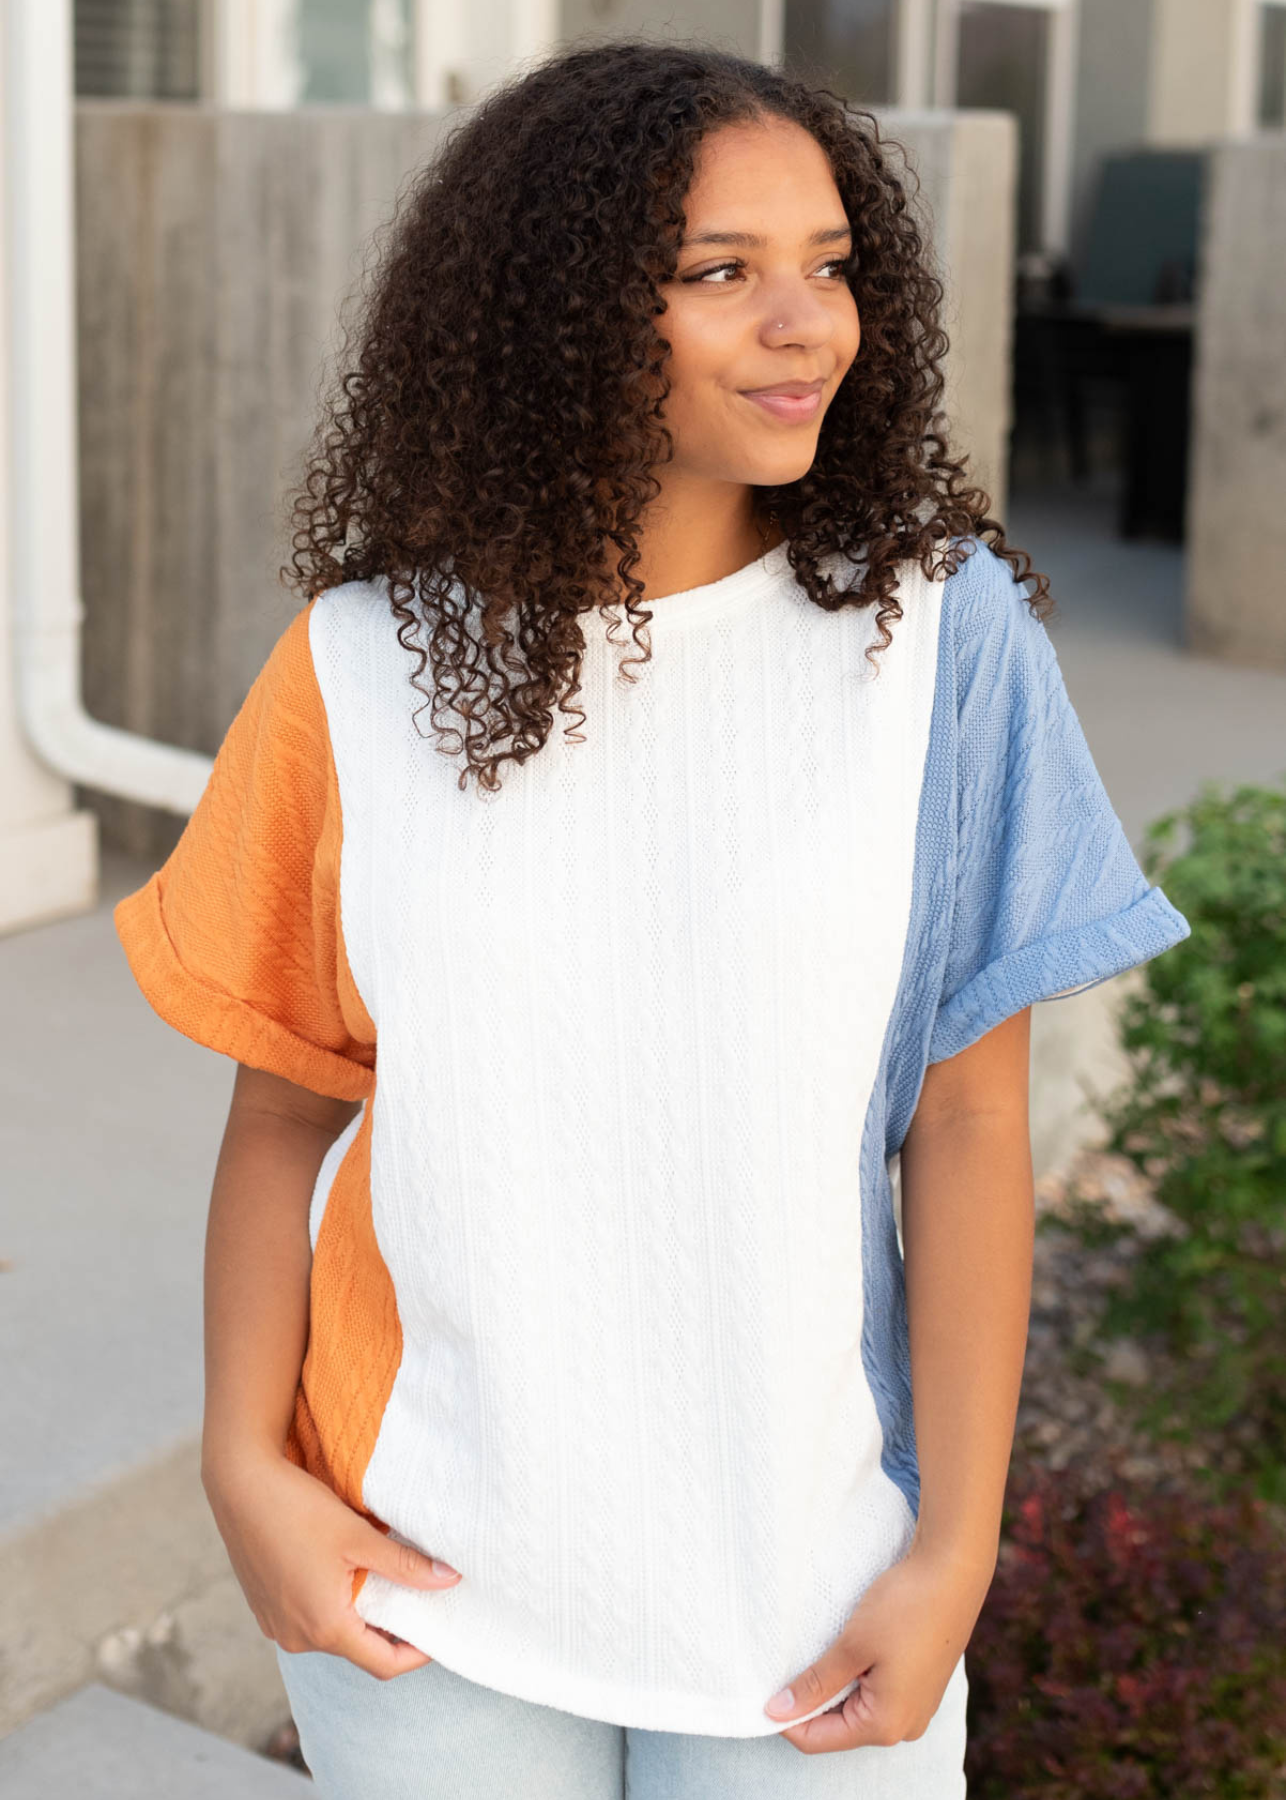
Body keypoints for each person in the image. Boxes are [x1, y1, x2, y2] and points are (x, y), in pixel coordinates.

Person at [113, 37, 1192, 1799]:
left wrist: (956, 1552)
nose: (806, 325)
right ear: (550, 313)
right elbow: (284, 1114)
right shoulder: (360, 668)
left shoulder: (935, 647)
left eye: (831, 266)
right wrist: (246, 1465)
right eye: (719, 274)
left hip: (809, 1601)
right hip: (425, 1584)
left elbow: (973, 1122)